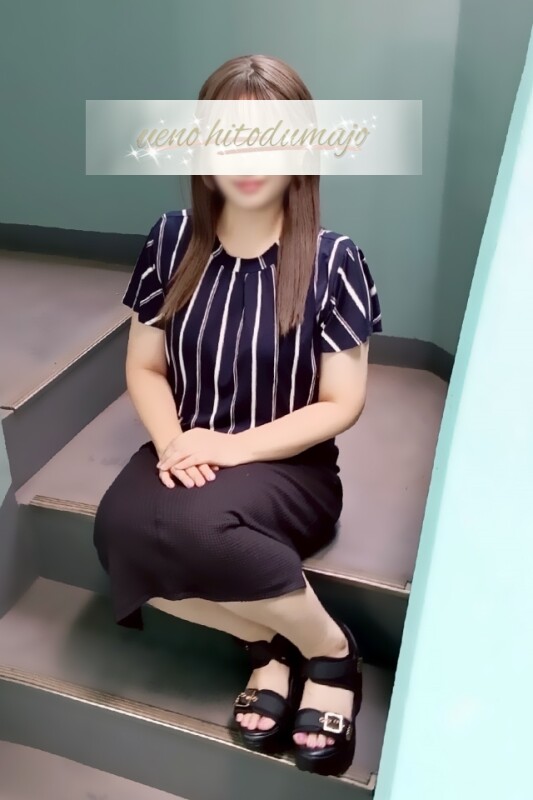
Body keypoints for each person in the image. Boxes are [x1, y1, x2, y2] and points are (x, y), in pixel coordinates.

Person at [93, 54, 383, 777]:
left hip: (287, 466)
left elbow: (342, 403)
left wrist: (231, 447)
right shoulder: (171, 240)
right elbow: (145, 367)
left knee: (196, 530)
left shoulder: (334, 259)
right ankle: (271, 643)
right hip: (187, 444)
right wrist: (175, 443)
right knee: (119, 530)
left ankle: (332, 653)